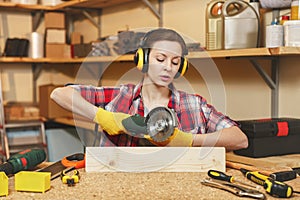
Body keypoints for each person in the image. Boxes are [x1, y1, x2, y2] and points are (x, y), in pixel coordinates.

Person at [50, 28, 248, 151]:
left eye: (175, 62)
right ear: (143, 60)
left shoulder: (194, 104)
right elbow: (60, 94)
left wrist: (189, 140)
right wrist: (105, 118)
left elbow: (240, 139)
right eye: (160, 59)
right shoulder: (120, 96)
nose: (168, 67)